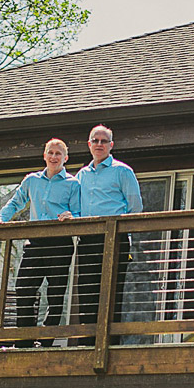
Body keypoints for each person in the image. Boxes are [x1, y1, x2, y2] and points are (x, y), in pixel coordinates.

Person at [0, 138, 81, 347]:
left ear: (65, 158)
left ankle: (46, 341)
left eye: (58, 153)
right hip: (35, 241)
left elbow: (78, 211)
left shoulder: (73, 183)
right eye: (50, 152)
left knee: (56, 293)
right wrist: (2, 218)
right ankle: (24, 340)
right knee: (24, 288)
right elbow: (16, 202)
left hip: (60, 242)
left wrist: (72, 216)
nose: (54, 157)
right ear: (44, 155)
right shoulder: (32, 180)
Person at [74, 124, 143, 344]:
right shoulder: (81, 175)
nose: (99, 144)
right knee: (87, 292)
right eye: (95, 140)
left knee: (112, 291)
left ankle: (109, 345)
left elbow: (135, 207)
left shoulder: (122, 171)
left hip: (115, 237)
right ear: (89, 145)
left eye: (104, 141)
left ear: (111, 145)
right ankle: (88, 343)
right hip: (88, 238)